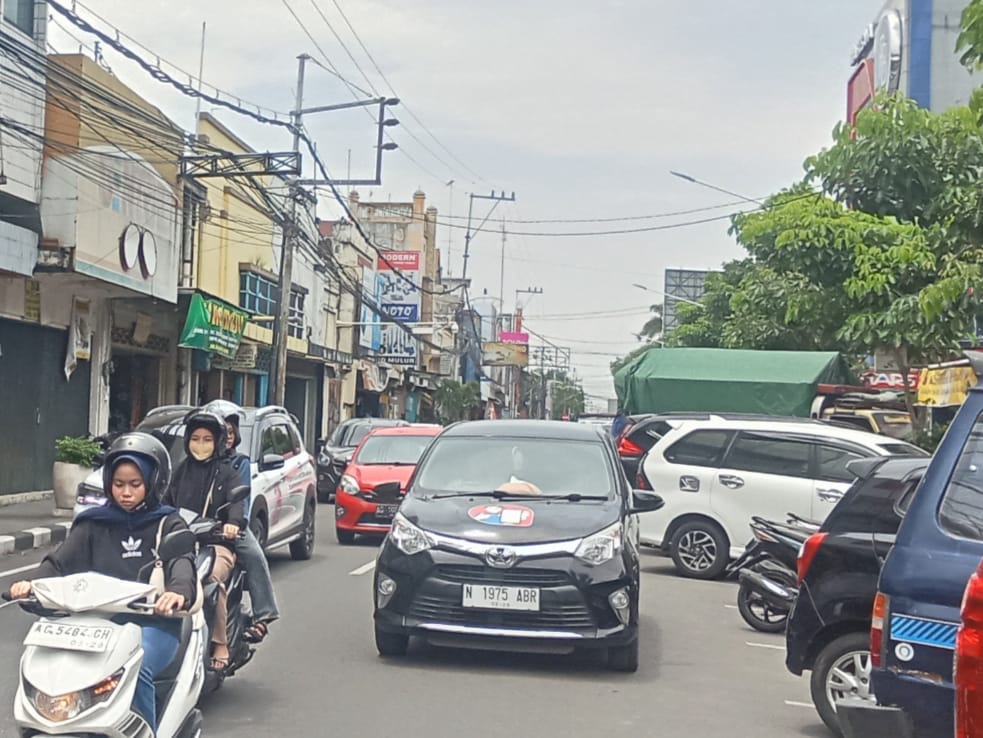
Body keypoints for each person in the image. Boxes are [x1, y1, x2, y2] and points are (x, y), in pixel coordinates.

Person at [9, 433, 195, 735]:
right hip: (93, 625)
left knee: (137, 667)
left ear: (154, 482)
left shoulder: (167, 522)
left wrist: (177, 592)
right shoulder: (93, 523)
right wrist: (31, 584)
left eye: (135, 484)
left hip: (153, 624)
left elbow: (181, 562)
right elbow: (59, 563)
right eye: (118, 484)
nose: (126, 492)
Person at [163, 410, 245, 673]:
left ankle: (220, 643)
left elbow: (237, 504)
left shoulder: (227, 473)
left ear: (217, 442)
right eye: (195, 438)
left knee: (209, 580)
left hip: (216, 544)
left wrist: (232, 524)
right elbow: (164, 503)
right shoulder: (179, 471)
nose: (201, 444)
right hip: (180, 542)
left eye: (207, 439)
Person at [202, 399, 280, 644]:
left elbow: (241, 502)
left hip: (229, 527)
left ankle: (263, 615)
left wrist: (236, 523)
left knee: (255, 556)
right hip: (197, 527)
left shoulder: (239, 463)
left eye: (230, 431)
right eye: (221, 431)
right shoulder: (192, 464)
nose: (227, 436)